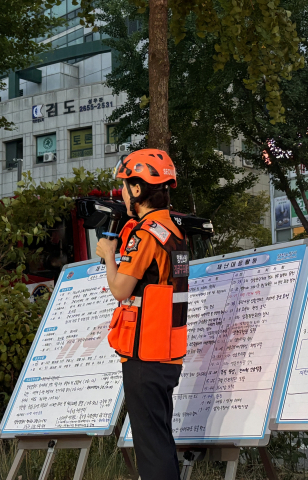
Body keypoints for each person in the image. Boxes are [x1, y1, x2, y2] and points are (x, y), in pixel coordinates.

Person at [96, 149, 189, 480]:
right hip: (167, 350)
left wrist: (108, 254)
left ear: (137, 190)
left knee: (151, 447)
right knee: (159, 439)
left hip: (144, 352)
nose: (121, 191)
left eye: (124, 184)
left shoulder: (145, 234)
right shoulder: (174, 231)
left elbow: (121, 289)